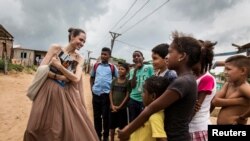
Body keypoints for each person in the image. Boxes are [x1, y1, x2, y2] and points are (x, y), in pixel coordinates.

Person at [118, 31, 202, 141]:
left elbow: (152, 108)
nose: (167, 57)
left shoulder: (182, 82)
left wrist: (127, 130)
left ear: (182, 56)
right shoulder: (188, 79)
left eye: (170, 52)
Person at [24, 27, 99, 141]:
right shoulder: (56, 49)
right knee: (34, 127)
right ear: (72, 36)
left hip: (65, 94)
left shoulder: (79, 58)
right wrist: (62, 77)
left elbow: (76, 78)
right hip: (46, 91)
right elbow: (41, 70)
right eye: (80, 39)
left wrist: (59, 68)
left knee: (58, 129)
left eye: (84, 41)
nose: (82, 43)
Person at [189, 40, 217, 141]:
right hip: (191, 127)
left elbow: (195, 107)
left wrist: (181, 125)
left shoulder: (206, 78)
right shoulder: (193, 76)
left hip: (197, 129)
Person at [211, 55, 250, 125]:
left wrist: (243, 117)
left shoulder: (244, 87)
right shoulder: (228, 84)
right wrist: (239, 101)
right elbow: (215, 101)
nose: (225, 72)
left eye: (228, 69)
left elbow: (217, 101)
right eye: (224, 69)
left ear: (243, 71)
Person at [90, 47, 118, 141]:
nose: (103, 56)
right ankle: (97, 135)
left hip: (106, 96)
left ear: (109, 56)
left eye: (105, 54)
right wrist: (92, 89)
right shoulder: (96, 65)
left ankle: (105, 136)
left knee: (106, 117)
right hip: (96, 94)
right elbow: (92, 78)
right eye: (102, 54)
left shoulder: (112, 67)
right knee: (96, 116)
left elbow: (118, 79)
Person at [130, 76, 169, 141]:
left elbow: (162, 139)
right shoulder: (152, 112)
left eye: (144, 92)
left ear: (153, 96)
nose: (142, 94)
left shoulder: (154, 117)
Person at [128, 50, 154, 122]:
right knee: (133, 121)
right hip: (133, 99)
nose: (136, 57)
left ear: (143, 58)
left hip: (145, 100)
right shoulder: (132, 71)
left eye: (138, 56)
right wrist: (135, 70)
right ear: (133, 60)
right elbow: (132, 86)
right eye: (134, 56)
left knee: (143, 122)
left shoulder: (149, 67)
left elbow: (152, 82)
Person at [109, 63, 130, 141]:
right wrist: (112, 105)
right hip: (112, 108)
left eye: (122, 69)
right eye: (119, 69)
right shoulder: (114, 81)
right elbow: (110, 92)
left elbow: (127, 95)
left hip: (122, 109)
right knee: (111, 127)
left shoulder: (127, 82)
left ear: (127, 71)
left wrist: (120, 106)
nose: (120, 70)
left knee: (121, 127)